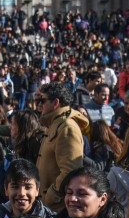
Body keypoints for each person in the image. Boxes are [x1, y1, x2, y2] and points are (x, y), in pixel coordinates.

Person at [35, 81, 89, 210]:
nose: (39, 104)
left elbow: (71, 170)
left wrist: (50, 197)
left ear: (56, 103)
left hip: (56, 209)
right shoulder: (55, 124)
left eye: (42, 100)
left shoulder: (67, 127)